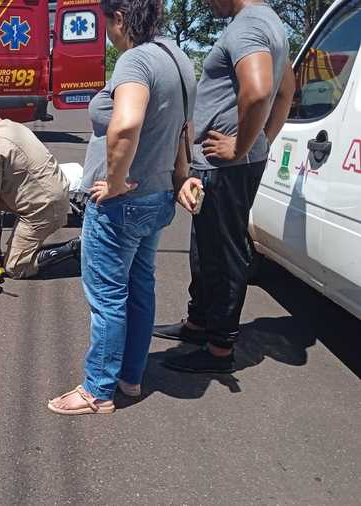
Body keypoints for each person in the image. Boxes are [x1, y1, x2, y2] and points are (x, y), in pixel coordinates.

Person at [46, 0, 197, 415]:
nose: (108, 35)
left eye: (106, 25)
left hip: (122, 205)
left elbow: (126, 123)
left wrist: (114, 181)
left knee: (108, 297)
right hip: (156, 198)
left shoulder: (135, 61)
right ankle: (130, 376)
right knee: (139, 287)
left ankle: (97, 390)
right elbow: (185, 128)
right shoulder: (177, 57)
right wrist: (180, 174)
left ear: (120, 19)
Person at [154, 0, 294, 374]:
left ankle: (219, 348)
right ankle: (198, 324)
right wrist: (262, 139)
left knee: (223, 253)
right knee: (205, 246)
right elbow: (287, 91)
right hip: (226, 164)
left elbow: (262, 90)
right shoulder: (270, 23)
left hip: (226, 167)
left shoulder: (248, 26)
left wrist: (241, 146)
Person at [0, 97, 73, 280]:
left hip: (43, 207)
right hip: (54, 193)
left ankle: (69, 250)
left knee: (15, 267)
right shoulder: (14, 126)